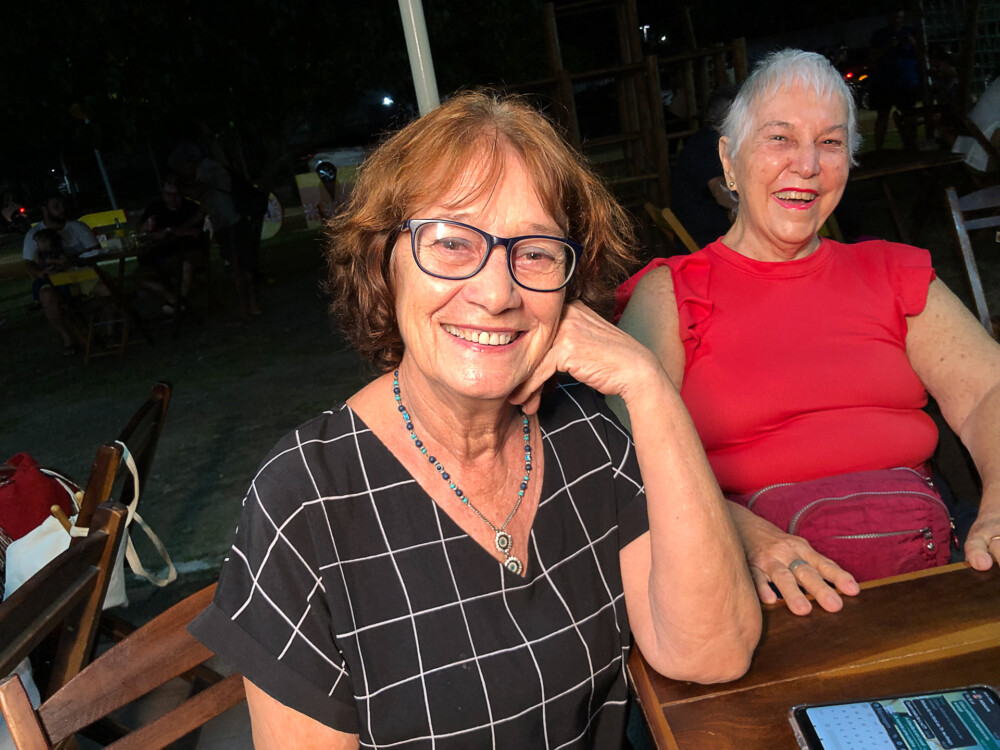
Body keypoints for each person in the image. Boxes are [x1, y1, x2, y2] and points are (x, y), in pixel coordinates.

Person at [189, 91, 760, 749]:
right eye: (453, 243)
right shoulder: (306, 500)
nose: (496, 293)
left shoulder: (586, 433)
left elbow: (710, 652)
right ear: (383, 264)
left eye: (536, 252)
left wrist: (647, 384)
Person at [615, 50, 1000, 617]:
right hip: (755, 580)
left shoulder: (892, 272)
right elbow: (618, 455)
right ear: (728, 158)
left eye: (830, 142)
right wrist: (735, 532)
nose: (807, 165)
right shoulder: (672, 293)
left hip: (915, 553)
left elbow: (988, 393)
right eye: (780, 139)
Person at [169, 143, 261, 322]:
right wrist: (184, 226)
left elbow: (196, 192)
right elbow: (203, 208)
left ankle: (246, 309)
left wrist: (178, 186)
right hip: (227, 224)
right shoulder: (207, 173)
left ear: (189, 163)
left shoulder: (207, 169)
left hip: (231, 224)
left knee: (236, 269)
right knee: (240, 267)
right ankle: (250, 305)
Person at [22, 194, 101, 354]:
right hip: (54, 278)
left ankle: (108, 330)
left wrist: (73, 261)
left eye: (62, 205)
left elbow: (96, 251)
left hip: (81, 274)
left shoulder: (77, 227)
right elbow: (29, 262)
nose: (61, 209)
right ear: (45, 210)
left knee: (107, 289)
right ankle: (67, 337)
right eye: (56, 206)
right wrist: (40, 273)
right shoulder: (34, 234)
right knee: (46, 296)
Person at [670, 85, 739, 248]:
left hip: (704, 230)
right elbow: (722, 193)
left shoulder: (706, 138)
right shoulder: (709, 145)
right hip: (707, 238)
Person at [137, 174, 207, 312]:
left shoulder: (191, 208)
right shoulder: (155, 208)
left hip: (186, 252)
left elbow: (196, 232)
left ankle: (176, 304)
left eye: (176, 194)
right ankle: (174, 301)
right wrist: (145, 230)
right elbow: (140, 229)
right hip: (158, 256)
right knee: (139, 275)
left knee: (185, 264)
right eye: (168, 194)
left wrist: (169, 232)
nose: (172, 198)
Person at [868, 9, 920, 151]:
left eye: (900, 17)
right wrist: (887, 47)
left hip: (907, 81)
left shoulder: (910, 32)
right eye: (895, 17)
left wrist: (913, 43)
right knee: (883, 115)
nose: (898, 21)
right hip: (886, 82)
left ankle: (911, 145)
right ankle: (879, 148)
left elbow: (922, 52)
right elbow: (872, 57)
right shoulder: (881, 35)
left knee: (909, 115)